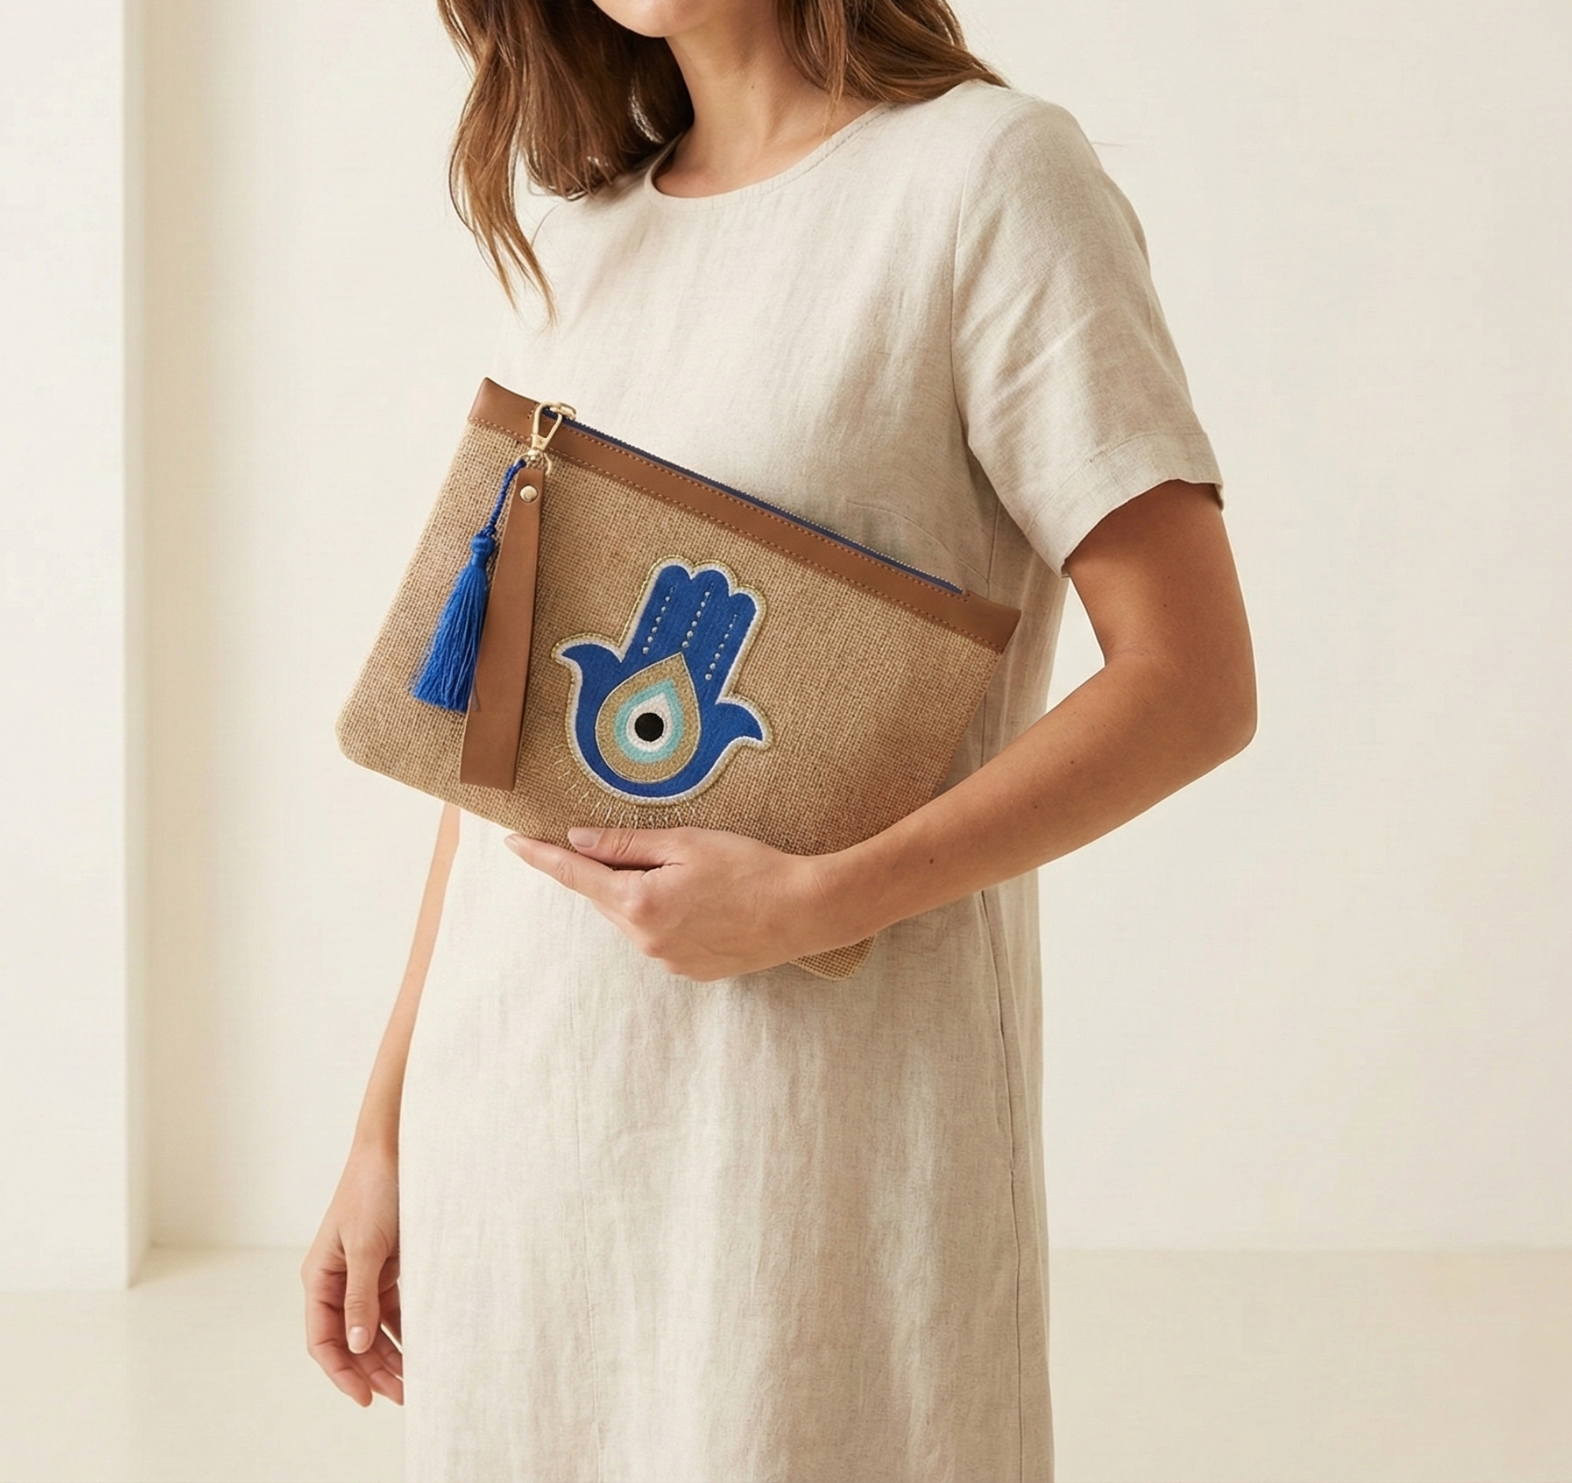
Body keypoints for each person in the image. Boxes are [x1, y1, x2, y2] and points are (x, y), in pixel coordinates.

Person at [302, 0, 1256, 1477]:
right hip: (518, 1121)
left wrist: (822, 900)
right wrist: (385, 1126)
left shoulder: (987, 181)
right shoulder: (583, 238)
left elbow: (1193, 681)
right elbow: (504, 752)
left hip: (817, 1155)